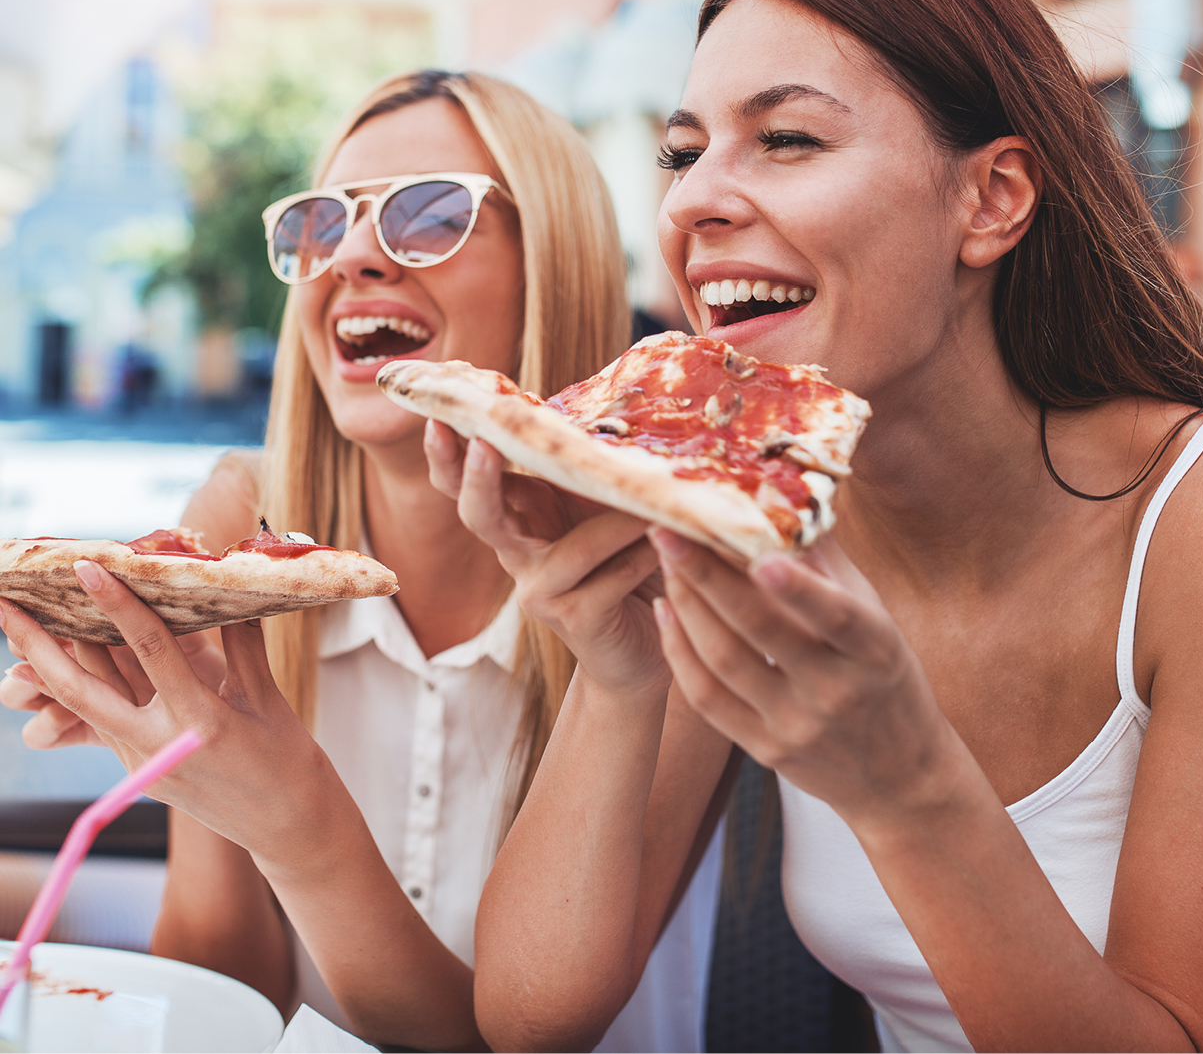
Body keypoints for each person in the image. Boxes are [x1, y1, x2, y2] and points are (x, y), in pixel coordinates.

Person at [423, 0, 1203, 1053]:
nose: (691, 202)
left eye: (787, 138)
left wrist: (906, 784)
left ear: (992, 198)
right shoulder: (741, 518)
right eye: (682, 153)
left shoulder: (1196, 525)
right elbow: (531, 1014)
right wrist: (619, 670)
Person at [0, 69, 724, 1051]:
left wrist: (297, 824)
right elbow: (219, 1000)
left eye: (431, 216)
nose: (351, 256)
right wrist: (191, 775)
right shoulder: (235, 530)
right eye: (321, 224)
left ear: (553, 266)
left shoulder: (669, 577)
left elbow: (520, 1041)